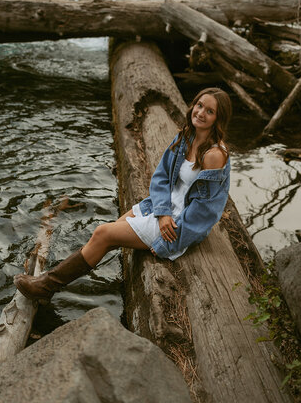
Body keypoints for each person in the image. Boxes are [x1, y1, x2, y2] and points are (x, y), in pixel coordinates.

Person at [14, 87, 232, 303]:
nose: (201, 113)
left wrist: (168, 243)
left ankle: (46, 286)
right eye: (199, 105)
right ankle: (51, 283)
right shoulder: (186, 137)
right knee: (110, 232)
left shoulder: (214, 155)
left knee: (103, 233)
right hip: (164, 208)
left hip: (179, 225)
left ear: (218, 119)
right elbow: (161, 178)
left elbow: (205, 213)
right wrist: (162, 211)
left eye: (209, 111)